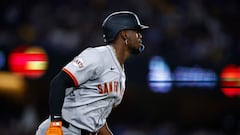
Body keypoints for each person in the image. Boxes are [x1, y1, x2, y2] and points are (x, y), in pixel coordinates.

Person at [36, 11, 149, 135]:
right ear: (124, 34)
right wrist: (55, 124)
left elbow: (97, 119)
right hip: (64, 129)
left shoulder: (121, 74)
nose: (140, 36)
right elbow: (58, 82)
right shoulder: (98, 56)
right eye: (136, 31)